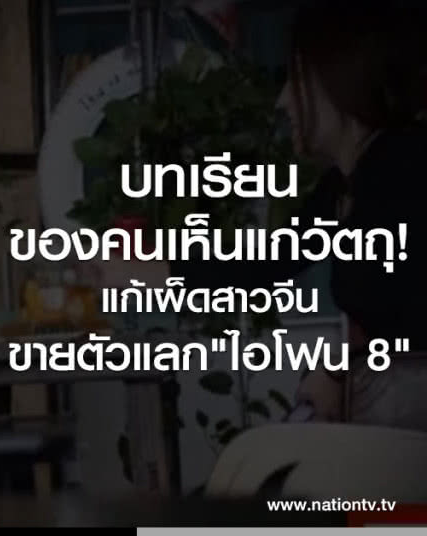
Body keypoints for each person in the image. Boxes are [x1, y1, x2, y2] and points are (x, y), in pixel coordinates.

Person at [98, 0, 427, 425]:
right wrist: (150, 272)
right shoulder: (343, 185)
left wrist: (338, 370)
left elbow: (409, 320)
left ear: (338, 83)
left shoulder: (407, 168)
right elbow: (264, 264)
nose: (283, 100)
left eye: (296, 80)